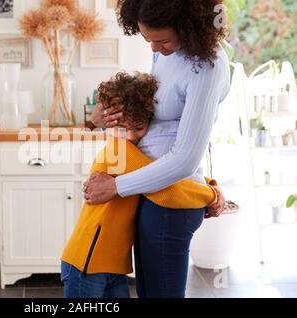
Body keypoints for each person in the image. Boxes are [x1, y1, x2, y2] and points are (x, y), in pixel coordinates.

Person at [84, 0, 231, 298]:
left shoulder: (208, 64)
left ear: (189, 26)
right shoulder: (165, 55)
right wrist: (99, 120)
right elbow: (154, 120)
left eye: (161, 40)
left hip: (169, 202)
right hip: (147, 191)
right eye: (147, 39)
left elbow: (185, 159)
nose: (153, 49)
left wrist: (115, 186)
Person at [61, 72, 223, 298]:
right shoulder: (121, 153)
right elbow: (168, 190)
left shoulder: (132, 153)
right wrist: (211, 194)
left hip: (112, 267)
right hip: (87, 264)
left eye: (138, 127)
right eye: (121, 128)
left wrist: (208, 183)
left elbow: (163, 174)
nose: (130, 136)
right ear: (110, 125)